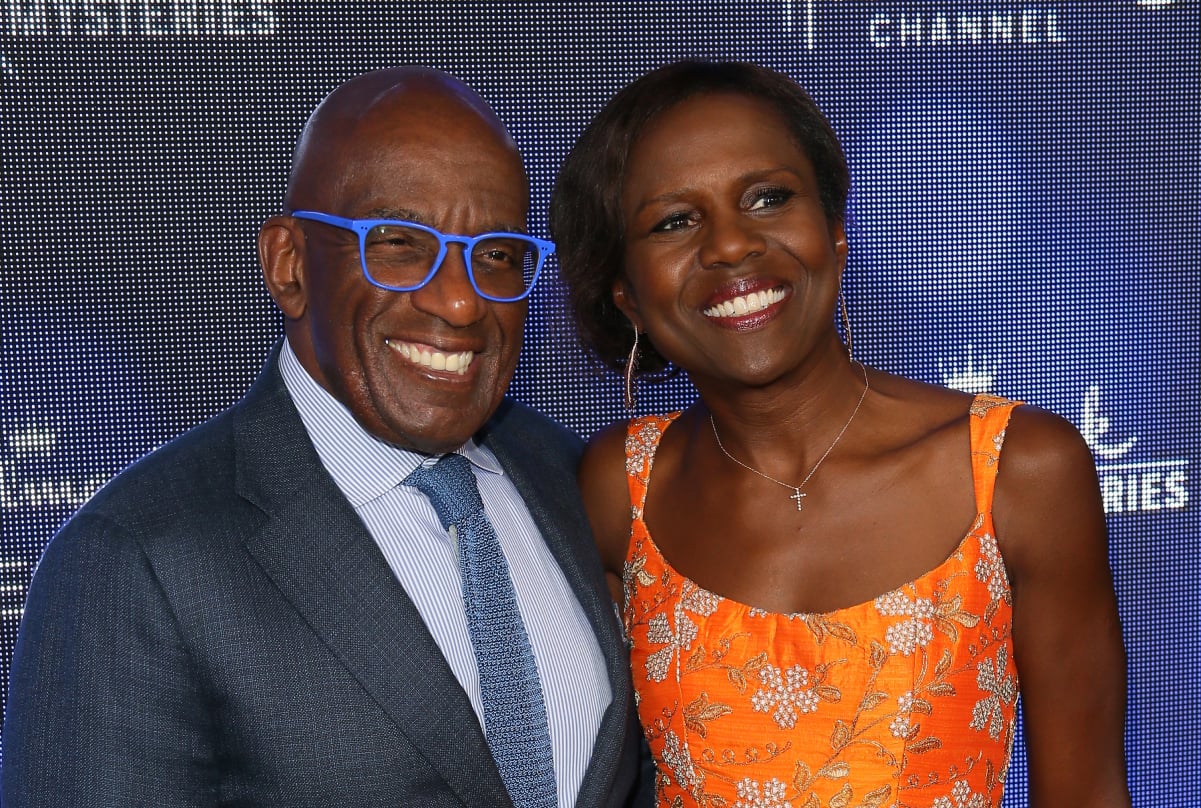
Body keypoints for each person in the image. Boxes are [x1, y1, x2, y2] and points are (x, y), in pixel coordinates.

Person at [3, 66, 648, 808]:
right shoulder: (136, 558)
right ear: (288, 265)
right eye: (401, 243)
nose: (462, 300)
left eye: (496, 254)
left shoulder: (575, 478)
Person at [549, 59, 1130, 808]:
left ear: (834, 230)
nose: (729, 245)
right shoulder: (618, 487)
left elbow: (1085, 794)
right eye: (674, 221)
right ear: (626, 294)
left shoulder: (1016, 470)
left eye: (767, 197)